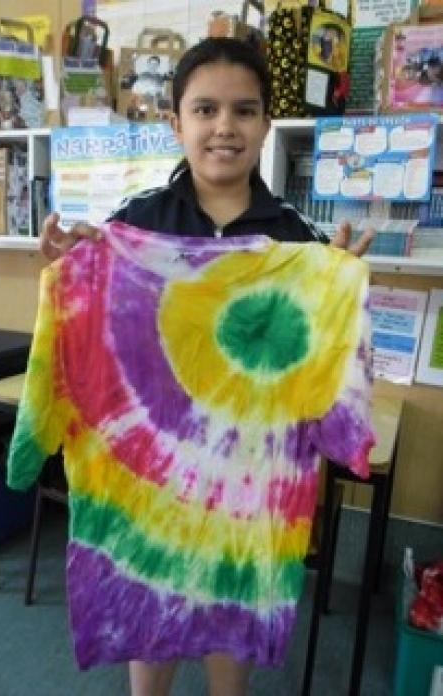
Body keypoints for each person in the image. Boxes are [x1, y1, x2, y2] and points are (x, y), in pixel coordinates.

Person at [40, 37, 373, 696]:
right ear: (176, 123)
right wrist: (65, 270)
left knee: (231, 615)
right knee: (153, 614)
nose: (225, 127)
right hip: (150, 474)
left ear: (265, 125)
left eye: (244, 111)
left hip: (250, 478)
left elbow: (316, 360)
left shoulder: (295, 237)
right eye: (206, 109)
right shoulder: (135, 224)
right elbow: (95, 334)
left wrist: (338, 287)